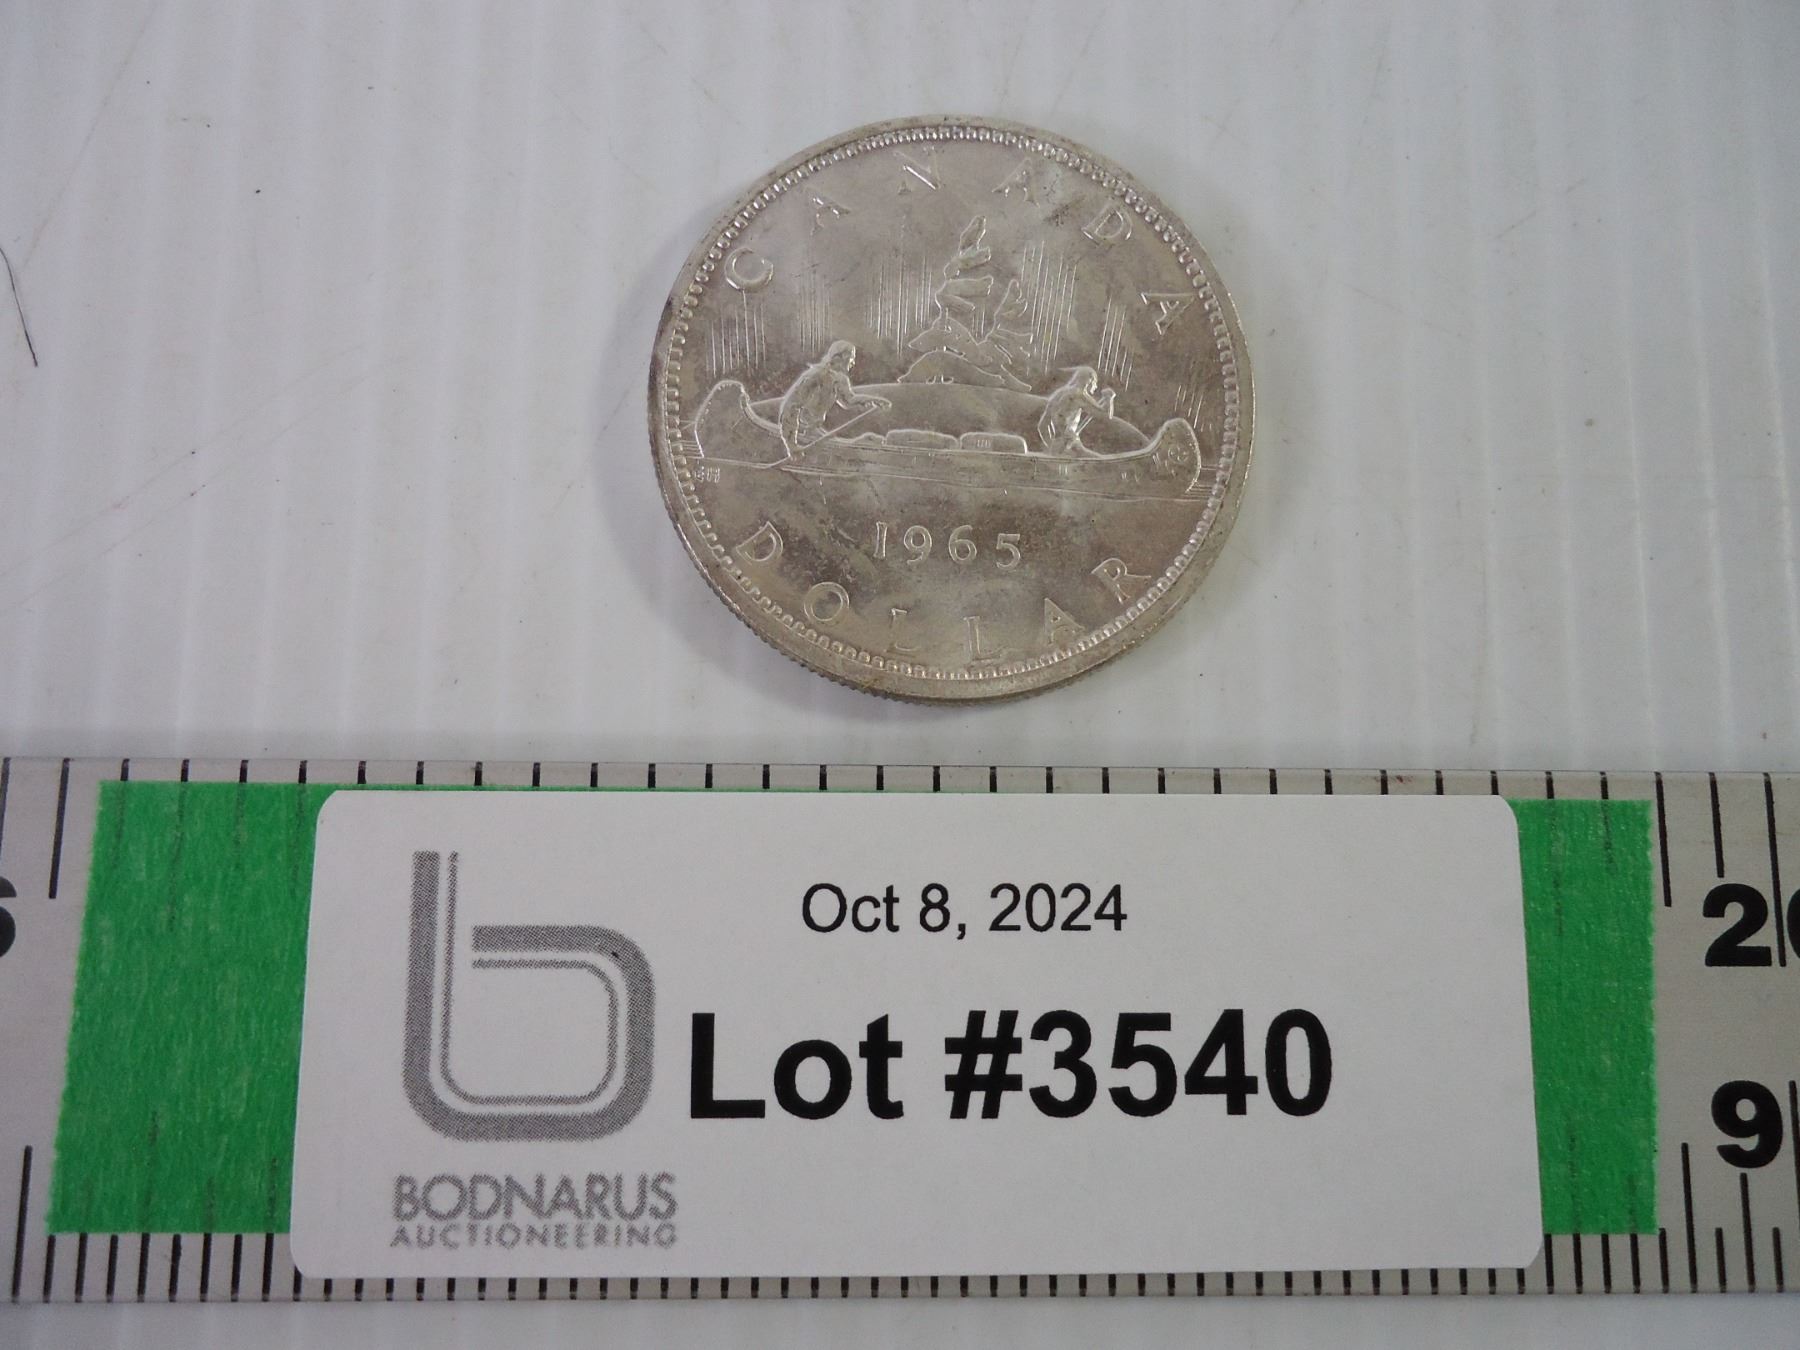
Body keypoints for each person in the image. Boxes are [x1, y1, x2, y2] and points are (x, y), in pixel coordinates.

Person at [777, 341, 890, 453]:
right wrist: (791, 445)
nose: (853, 363)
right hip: (801, 431)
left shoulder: (840, 379)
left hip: (815, 430)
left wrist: (875, 400)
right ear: (840, 357)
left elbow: (848, 400)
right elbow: (791, 405)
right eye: (851, 358)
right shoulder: (815, 375)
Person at [1037, 366, 1116, 456]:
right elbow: (1105, 416)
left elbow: (1042, 424)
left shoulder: (1059, 393)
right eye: (1095, 382)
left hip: (1059, 443)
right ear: (1088, 381)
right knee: (1097, 460)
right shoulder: (1080, 395)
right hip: (1069, 442)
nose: (1096, 386)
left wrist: (1051, 446)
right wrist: (1109, 398)